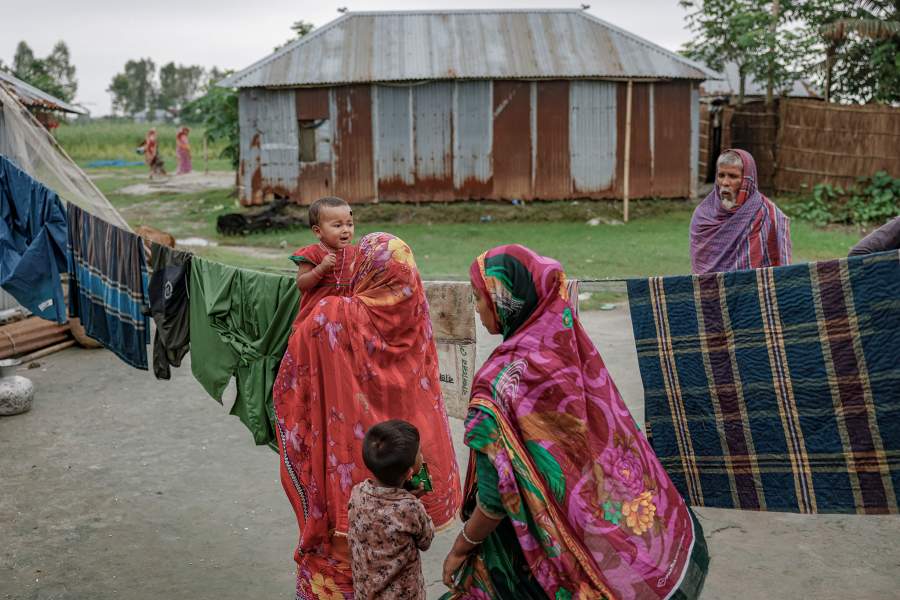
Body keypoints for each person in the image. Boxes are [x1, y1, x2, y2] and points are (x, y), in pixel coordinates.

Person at [442, 244, 708, 600]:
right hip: (589, 499)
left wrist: (463, 545)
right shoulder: (562, 340)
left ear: (507, 302)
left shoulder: (499, 383)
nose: (475, 307)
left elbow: (494, 497)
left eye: (478, 297)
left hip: (535, 539)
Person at [273, 232, 462, 600]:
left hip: (341, 474)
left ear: (364, 268)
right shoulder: (416, 316)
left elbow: (291, 379)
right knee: (394, 561)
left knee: (337, 560)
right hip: (397, 465)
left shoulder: (331, 315)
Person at [348, 420, 435, 600]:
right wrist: (414, 500)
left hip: (365, 592)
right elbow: (426, 540)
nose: (422, 454)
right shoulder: (411, 507)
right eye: (420, 452)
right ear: (410, 473)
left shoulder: (357, 492)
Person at [690, 149, 791, 274]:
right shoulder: (703, 215)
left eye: (733, 176)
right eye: (721, 175)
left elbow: (782, 267)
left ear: (746, 180)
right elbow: (700, 270)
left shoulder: (768, 214)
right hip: (711, 290)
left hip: (753, 290)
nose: (725, 182)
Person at [290, 196, 358, 324]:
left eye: (350, 224)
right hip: (318, 315)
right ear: (318, 231)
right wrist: (320, 269)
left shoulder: (355, 252)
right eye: (337, 225)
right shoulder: (313, 254)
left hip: (347, 313)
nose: (346, 230)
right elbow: (301, 284)